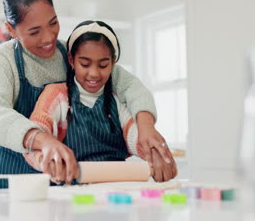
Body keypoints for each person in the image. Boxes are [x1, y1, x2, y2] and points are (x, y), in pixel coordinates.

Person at [0, 0, 175, 189]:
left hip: (57, 184)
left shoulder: (73, 53)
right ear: (11, 29)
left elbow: (130, 86)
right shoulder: (2, 60)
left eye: (53, 23)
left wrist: (146, 129)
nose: (48, 38)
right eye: (35, 31)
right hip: (10, 184)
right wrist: (44, 141)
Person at [23, 20, 177, 183]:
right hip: (72, 192)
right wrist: (46, 161)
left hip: (118, 189)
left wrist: (155, 154)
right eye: (85, 64)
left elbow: (136, 136)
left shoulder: (117, 99)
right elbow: (34, 141)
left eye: (103, 65)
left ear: (113, 63)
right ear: (71, 60)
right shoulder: (57, 96)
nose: (94, 73)